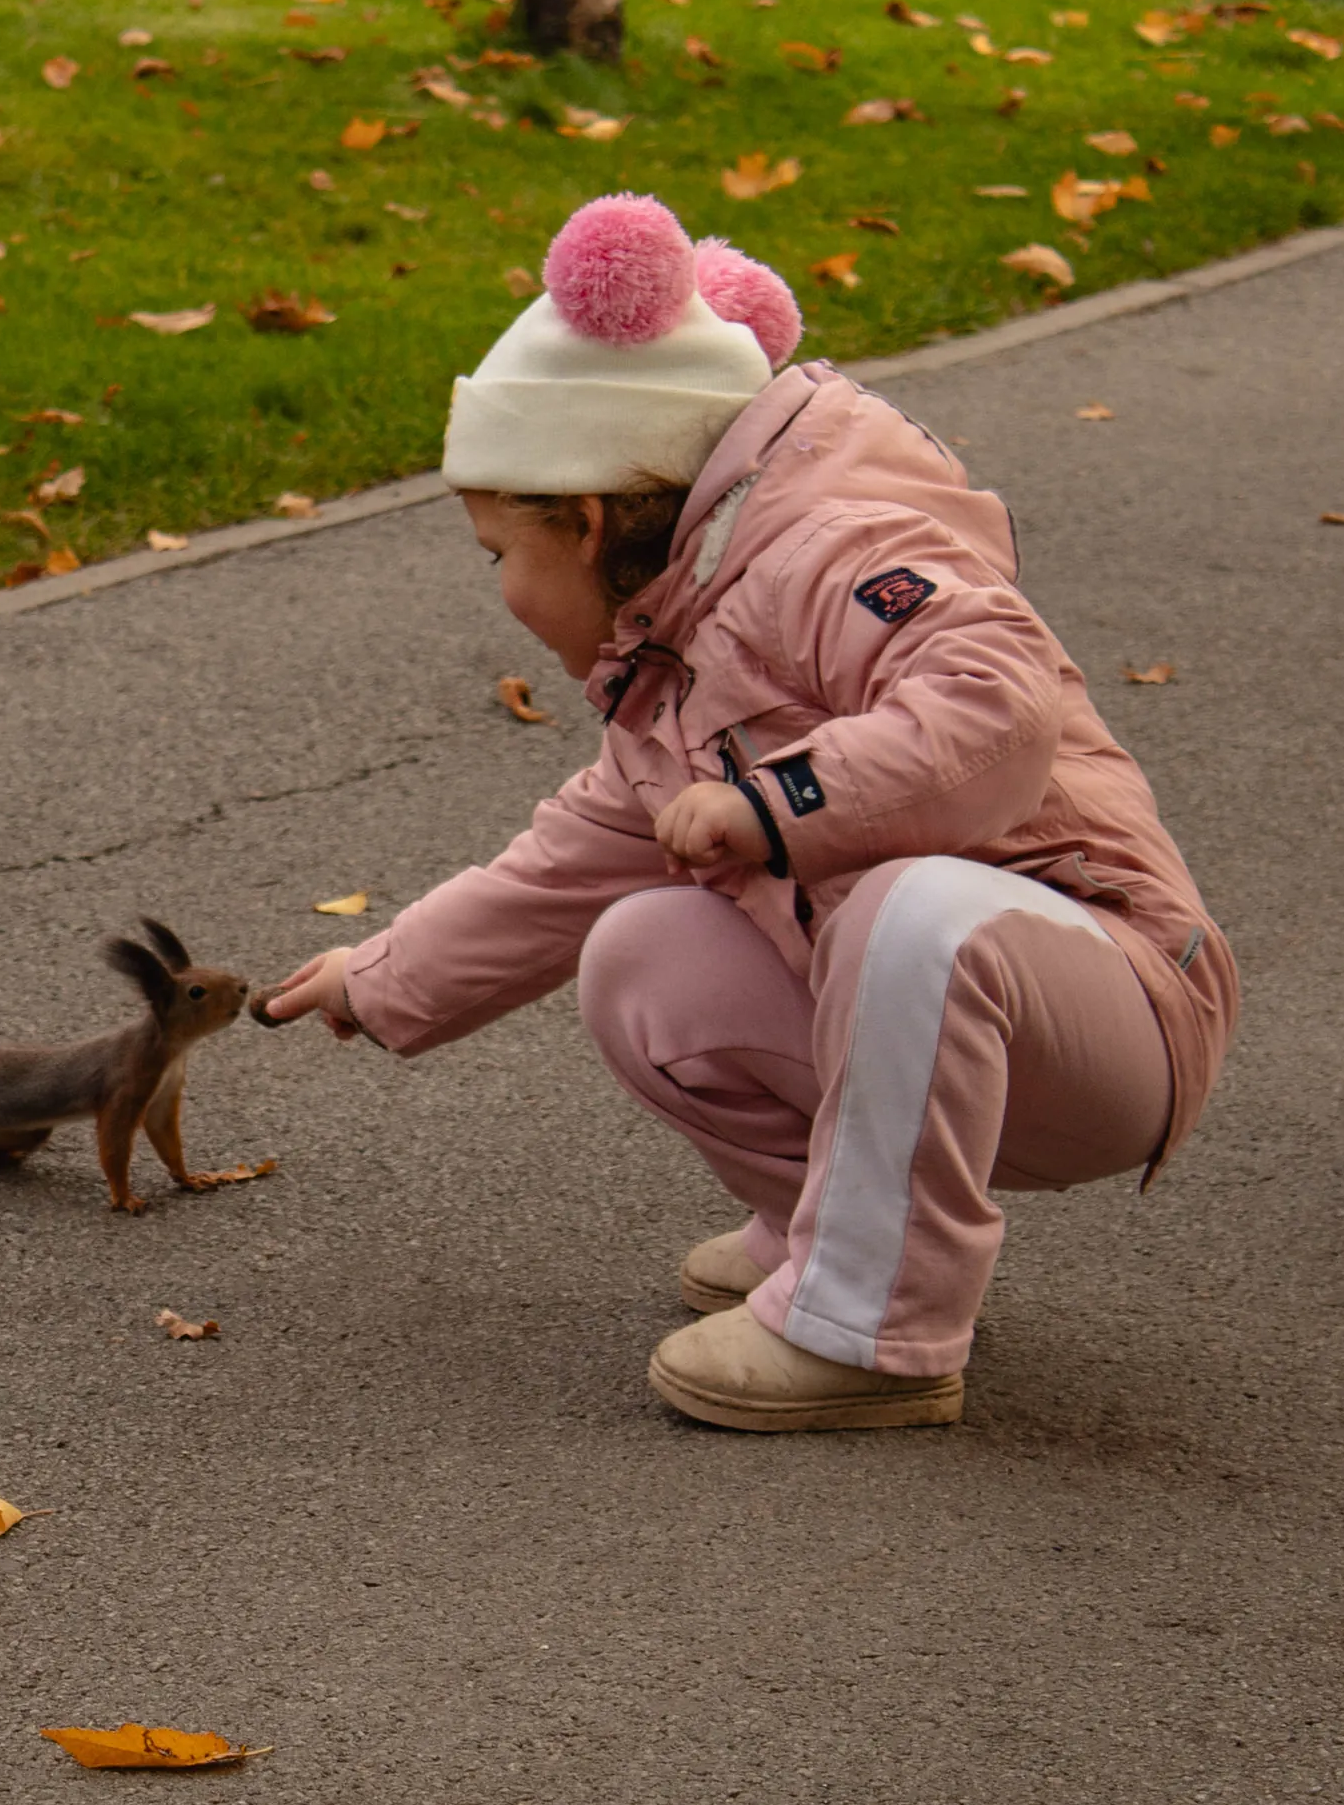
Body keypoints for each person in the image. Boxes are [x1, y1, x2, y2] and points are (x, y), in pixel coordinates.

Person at [266, 193, 1237, 1433]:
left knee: (914, 904)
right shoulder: (673, 663)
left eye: (496, 552)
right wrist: (379, 972)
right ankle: (834, 1237)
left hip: (1117, 1003)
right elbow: (558, 870)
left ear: (588, 520)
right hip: (950, 1027)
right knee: (638, 945)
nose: (498, 587)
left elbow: (1000, 702)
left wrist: (777, 804)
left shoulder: (830, 552)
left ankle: (874, 1330)